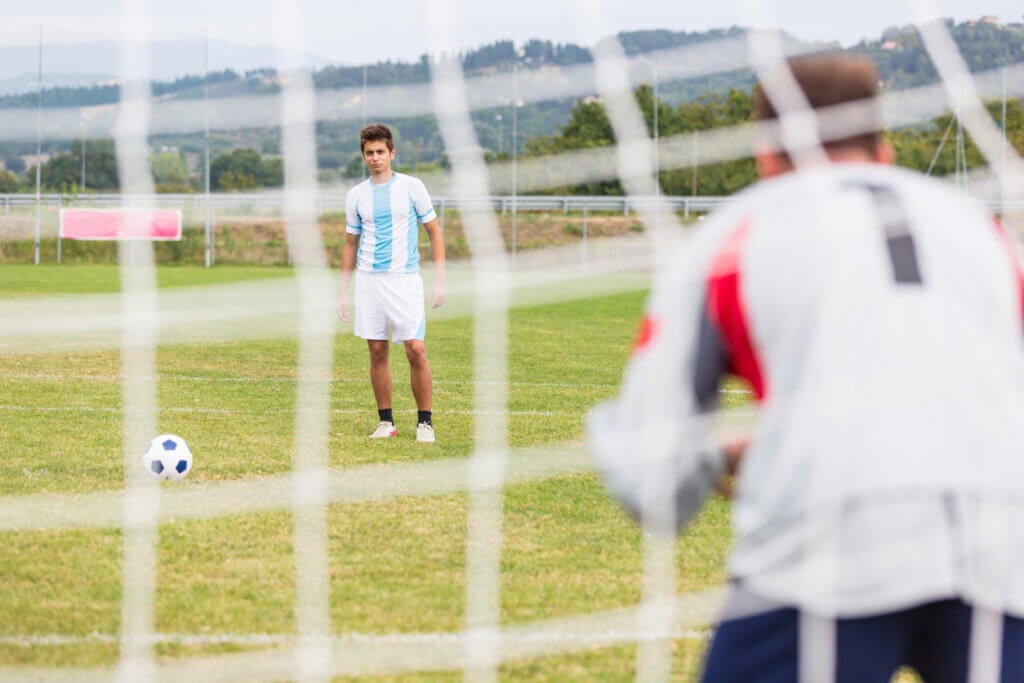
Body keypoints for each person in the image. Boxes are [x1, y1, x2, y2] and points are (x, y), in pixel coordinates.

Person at [587, 54, 1024, 682]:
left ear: (766, 155)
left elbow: (651, 475)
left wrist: (721, 454)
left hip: (830, 543)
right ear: (883, 150)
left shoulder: (735, 235)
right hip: (1001, 543)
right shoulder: (984, 231)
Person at [338, 123, 446, 443]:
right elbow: (350, 244)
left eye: (380, 152)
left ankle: (424, 423)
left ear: (392, 153)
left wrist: (440, 280)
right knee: (377, 350)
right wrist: (342, 291)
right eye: (369, 153)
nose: (375, 158)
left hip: (404, 280)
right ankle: (386, 422)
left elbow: (434, 232)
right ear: (363, 156)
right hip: (368, 282)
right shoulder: (356, 195)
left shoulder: (412, 187)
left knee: (416, 348)